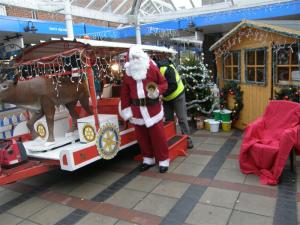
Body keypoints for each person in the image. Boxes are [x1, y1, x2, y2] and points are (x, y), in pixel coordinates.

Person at [119, 45, 170, 173]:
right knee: (142, 138)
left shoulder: (151, 68)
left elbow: (164, 83)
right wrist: (127, 110)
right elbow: (124, 94)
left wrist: (157, 90)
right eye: (133, 58)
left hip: (153, 109)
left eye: (137, 57)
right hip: (137, 111)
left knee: (158, 137)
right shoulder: (127, 74)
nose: (135, 60)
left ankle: (163, 159)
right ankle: (148, 158)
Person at [154, 57, 194, 149]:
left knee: (182, 118)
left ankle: (188, 140)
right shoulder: (154, 71)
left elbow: (173, 86)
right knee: (169, 120)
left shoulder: (166, 69)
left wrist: (161, 94)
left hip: (178, 94)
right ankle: (173, 139)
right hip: (166, 98)